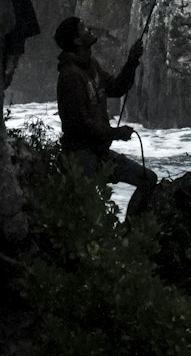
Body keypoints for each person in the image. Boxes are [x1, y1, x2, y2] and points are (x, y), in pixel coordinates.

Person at [54, 15, 158, 218]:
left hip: (99, 152)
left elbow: (117, 88)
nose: (89, 29)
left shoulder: (91, 65)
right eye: (83, 28)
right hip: (80, 157)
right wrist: (115, 134)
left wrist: (132, 61)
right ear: (76, 40)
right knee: (88, 215)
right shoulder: (70, 76)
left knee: (148, 179)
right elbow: (80, 125)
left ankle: (127, 235)